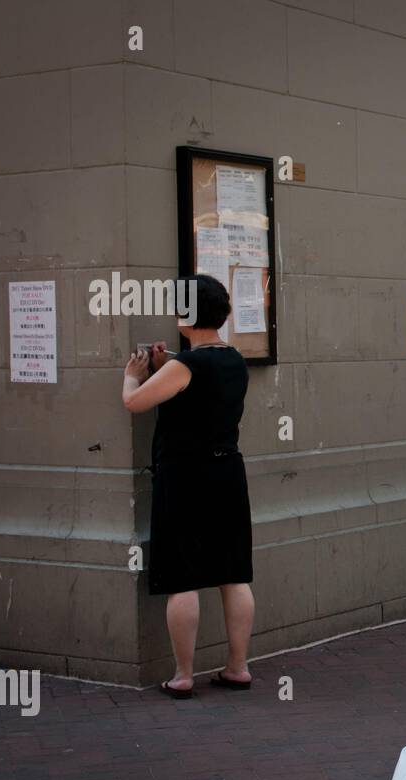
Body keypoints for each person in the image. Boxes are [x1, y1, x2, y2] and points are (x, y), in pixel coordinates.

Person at [121, 275, 255, 699]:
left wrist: (133, 375)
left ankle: (182, 675)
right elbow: (198, 383)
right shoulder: (234, 360)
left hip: (185, 476)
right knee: (233, 574)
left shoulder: (186, 366)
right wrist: (169, 364)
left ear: (187, 315)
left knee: (184, 578)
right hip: (228, 472)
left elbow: (135, 402)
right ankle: (237, 667)